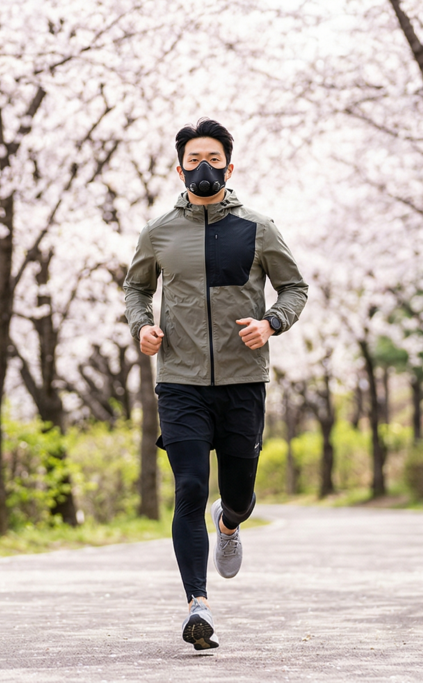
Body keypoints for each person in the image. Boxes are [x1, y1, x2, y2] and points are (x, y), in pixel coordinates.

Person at [124, 118, 308, 649]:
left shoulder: (258, 226)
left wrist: (271, 322)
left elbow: (294, 286)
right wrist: (144, 327)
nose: (203, 168)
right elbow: (135, 290)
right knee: (187, 488)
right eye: (193, 159)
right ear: (179, 166)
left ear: (230, 164)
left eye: (213, 158)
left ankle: (228, 525)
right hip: (179, 381)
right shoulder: (159, 231)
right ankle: (197, 605)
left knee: (239, 495)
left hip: (243, 380)